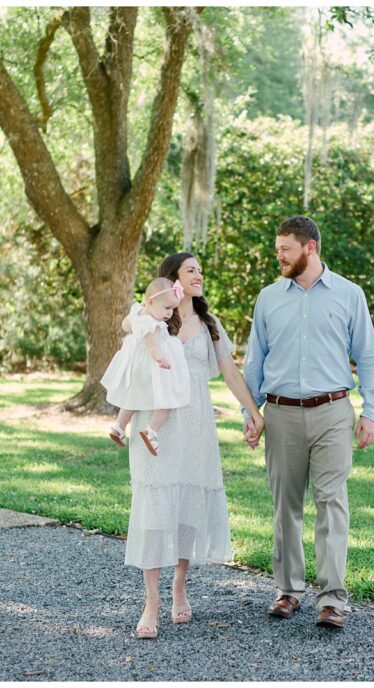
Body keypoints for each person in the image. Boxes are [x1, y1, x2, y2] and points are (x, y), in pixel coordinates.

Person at [242, 215, 374, 630]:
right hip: (281, 414)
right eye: (277, 250)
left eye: (285, 249)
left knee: (331, 503)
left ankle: (332, 600)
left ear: (311, 248)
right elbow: (255, 361)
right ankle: (288, 590)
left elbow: (369, 357)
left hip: (332, 413)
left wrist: (371, 411)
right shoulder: (268, 297)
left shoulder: (349, 294)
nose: (279, 256)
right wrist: (251, 414)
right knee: (285, 506)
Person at [123, 252, 265, 639]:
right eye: (191, 270)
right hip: (155, 424)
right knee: (154, 507)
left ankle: (179, 587)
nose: (199, 275)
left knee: (187, 505)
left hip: (197, 424)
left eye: (201, 270)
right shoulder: (151, 316)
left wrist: (254, 412)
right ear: (173, 279)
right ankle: (151, 600)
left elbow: (230, 372)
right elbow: (130, 348)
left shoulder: (210, 323)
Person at [101, 277, 189, 456]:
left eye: (173, 308)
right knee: (168, 400)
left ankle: (118, 427)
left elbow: (125, 325)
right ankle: (152, 431)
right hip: (153, 366)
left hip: (136, 366)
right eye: (167, 308)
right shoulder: (153, 325)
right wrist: (161, 359)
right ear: (150, 301)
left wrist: (133, 320)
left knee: (133, 398)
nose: (170, 313)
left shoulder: (138, 311)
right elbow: (153, 347)